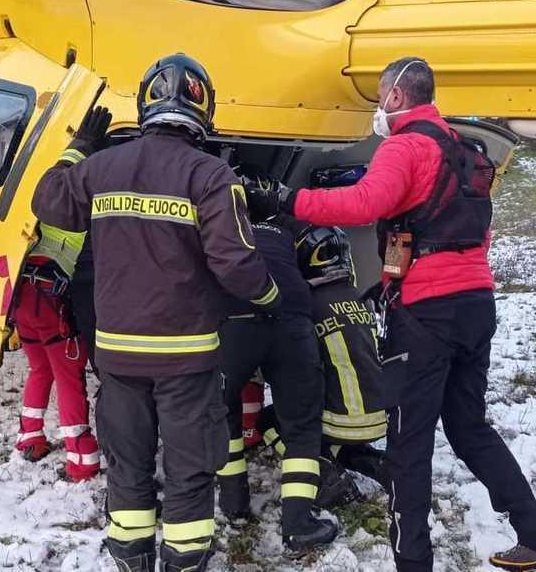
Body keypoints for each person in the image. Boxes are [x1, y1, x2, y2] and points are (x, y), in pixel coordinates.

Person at [244, 57, 536, 572]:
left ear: (396, 96)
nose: (379, 106)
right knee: (469, 428)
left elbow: (362, 203)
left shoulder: (404, 145)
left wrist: (287, 199)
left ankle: (413, 561)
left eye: (380, 97)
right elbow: (464, 231)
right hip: (476, 303)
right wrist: (393, 281)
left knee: (409, 445)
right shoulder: (465, 151)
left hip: (427, 318)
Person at [32, 53, 281, 572]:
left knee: (129, 463)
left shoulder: (103, 168)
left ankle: (131, 555)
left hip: (118, 355)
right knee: (190, 467)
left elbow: (48, 201)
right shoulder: (211, 175)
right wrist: (270, 298)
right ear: (203, 109)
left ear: (146, 105)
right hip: (186, 359)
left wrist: (79, 149)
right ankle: (185, 560)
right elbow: (236, 265)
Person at [216, 184, 338, 555]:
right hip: (292, 318)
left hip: (235, 318)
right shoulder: (285, 230)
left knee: (222, 410)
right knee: (301, 424)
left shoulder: (223, 227)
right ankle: (299, 525)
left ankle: (234, 503)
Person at [294, 226, 389, 492]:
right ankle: (376, 464)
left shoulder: (309, 303)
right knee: (338, 441)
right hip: (378, 413)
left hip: (342, 420)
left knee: (271, 422)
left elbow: (303, 367)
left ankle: (326, 474)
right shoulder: (360, 297)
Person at [12, 224, 99, 483]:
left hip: (22, 294)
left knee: (40, 369)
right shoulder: (86, 218)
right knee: (68, 378)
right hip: (51, 299)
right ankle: (81, 459)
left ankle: (30, 436)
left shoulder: (42, 211)